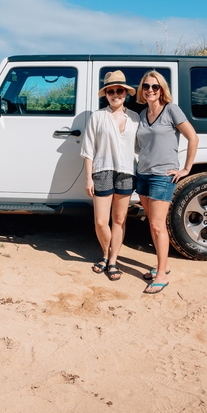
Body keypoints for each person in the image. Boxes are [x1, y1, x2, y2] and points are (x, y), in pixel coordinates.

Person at [135, 70, 198, 294]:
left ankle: (161, 274)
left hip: (163, 175)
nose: (150, 90)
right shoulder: (142, 115)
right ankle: (164, 266)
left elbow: (193, 137)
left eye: (155, 86)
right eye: (146, 86)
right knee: (152, 221)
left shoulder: (171, 110)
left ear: (162, 89)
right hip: (142, 174)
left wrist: (186, 168)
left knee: (157, 224)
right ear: (141, 90)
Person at [80, 70, 139, 281]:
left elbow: (141, 147)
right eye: (111, 91)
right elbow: (88, 149)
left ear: (126, 93)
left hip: (126, 172)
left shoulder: (135, 118)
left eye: (119, 90)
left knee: (120, 219)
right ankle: (105, 253)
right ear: (106, 94)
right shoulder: (98, 117)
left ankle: (113, 260)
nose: (116, 94)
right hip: (102, 170)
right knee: (100, 221)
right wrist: (88, 178)